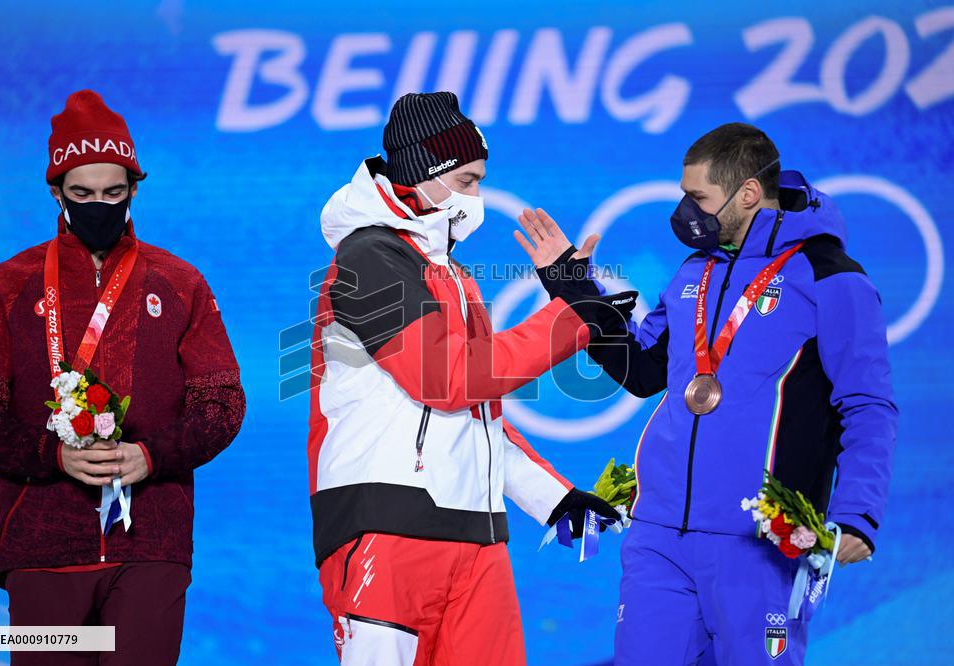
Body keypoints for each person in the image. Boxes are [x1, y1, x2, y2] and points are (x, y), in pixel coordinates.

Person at [527, 122, 897, 665]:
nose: (685, 211)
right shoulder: (692, 273)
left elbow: (867, 404)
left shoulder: (830, 278)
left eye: (698, 198)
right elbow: (642, 370)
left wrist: (859, 511)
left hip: (760, 540)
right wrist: (574, 287)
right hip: (659, 536)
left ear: (747, 192)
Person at [309, 91, 621, 665]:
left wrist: (554, 498)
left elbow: (478, 415)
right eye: (467, 181)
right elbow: (445, 378)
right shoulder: (368, 258)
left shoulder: (453, 273)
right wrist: (572, 316)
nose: (476, 198)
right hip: (384, 525)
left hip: (476, 535)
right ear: (425, 172)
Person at [0, 90, 246, 665]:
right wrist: (51, 456)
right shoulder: (10, 284)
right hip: (41, 543)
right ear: (56, 191)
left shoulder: (178, 282)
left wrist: (152, 455)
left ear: (134, 189)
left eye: (113, 193)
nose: (99, 206)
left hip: (150, 543)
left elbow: (222, 403)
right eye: (82, 194)